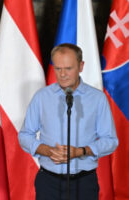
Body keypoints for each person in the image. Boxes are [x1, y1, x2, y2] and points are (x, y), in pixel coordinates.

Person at [18, 43, 118, 200]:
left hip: (84, 183)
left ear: (81, 66)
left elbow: (110, 141)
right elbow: (24, 135)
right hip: (48, 182)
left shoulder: (97, 99)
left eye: (68, 68)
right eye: (58, 68)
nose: (62, 74)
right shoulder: (42, 97)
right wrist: (46, 150)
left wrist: (81, 151)